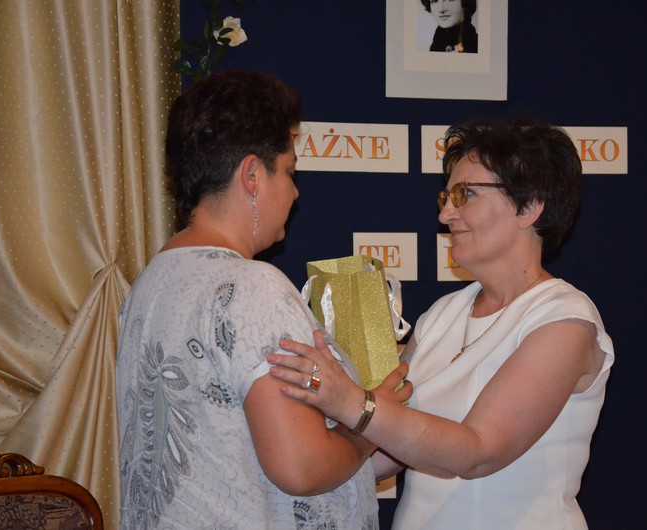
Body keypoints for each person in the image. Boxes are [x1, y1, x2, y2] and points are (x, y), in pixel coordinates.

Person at [268, 114, 615, 529]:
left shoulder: (565, 319)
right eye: (446, 197)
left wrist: (349, 401)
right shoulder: (441, 315)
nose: (446, 214)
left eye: (466, 194)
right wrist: (300, 445)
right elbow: (382, 451)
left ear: (529, 207)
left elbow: (478, 452)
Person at [115, 70, 411, 529]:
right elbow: (301, 466)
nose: (295, 191)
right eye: (290, 172)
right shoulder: (253, 287)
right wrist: (372, 423)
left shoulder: (150, 282)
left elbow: (232, 456)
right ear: (252, 174)